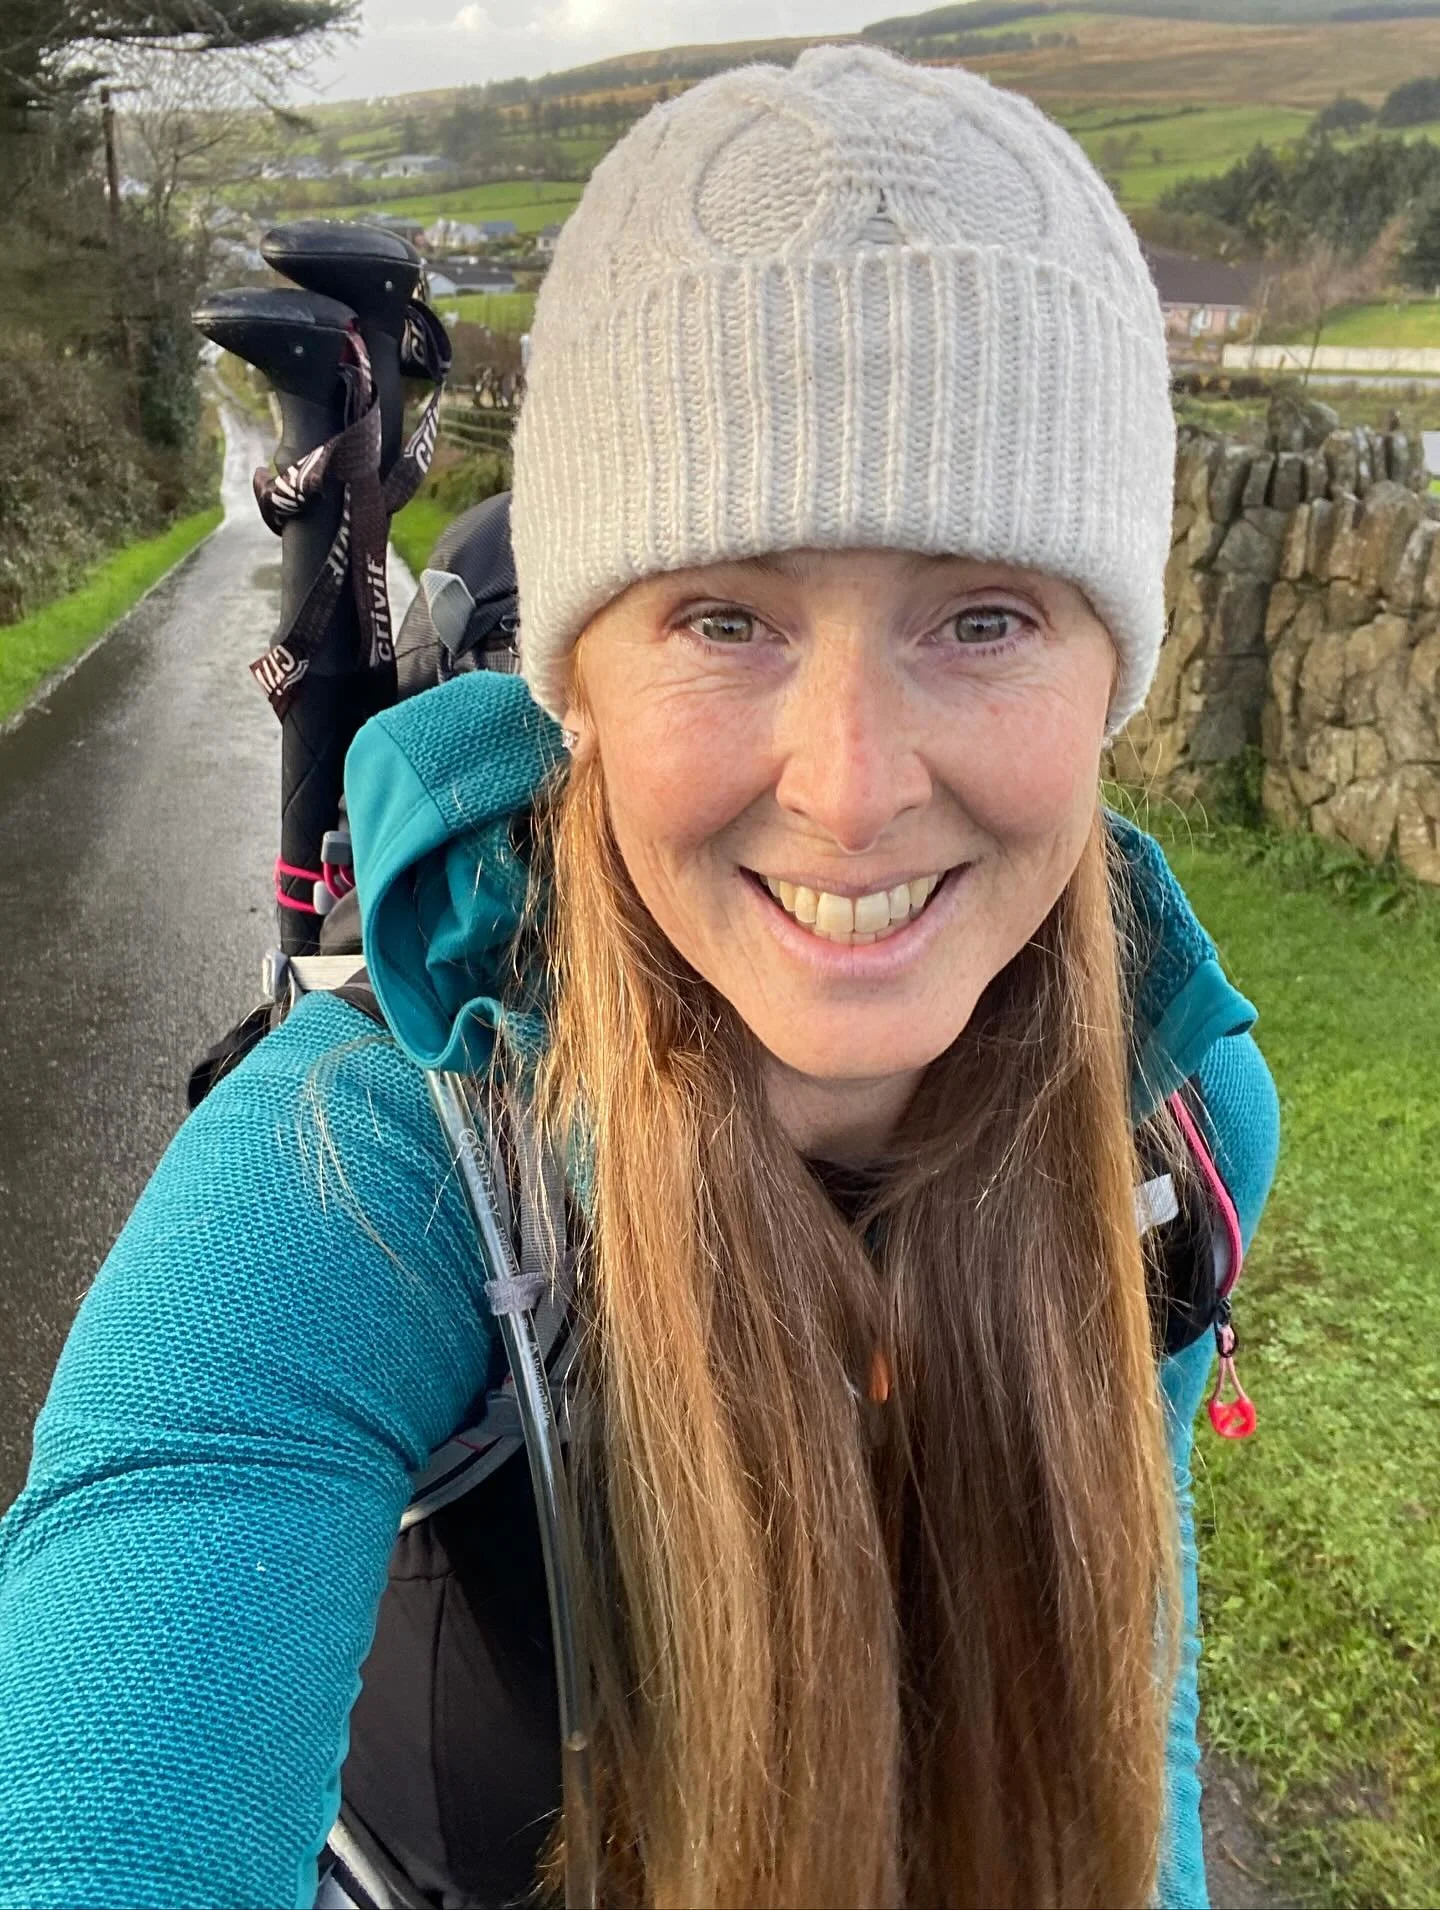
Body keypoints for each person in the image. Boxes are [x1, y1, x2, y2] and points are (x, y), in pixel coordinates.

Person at [0, 43, 1279, 1910]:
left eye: (984, 615)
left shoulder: (1170, 1113)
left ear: (1116, 677)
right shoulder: (357, 1173)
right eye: (724, 616)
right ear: (573, 684)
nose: (851, 787)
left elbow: (1117, 1705)